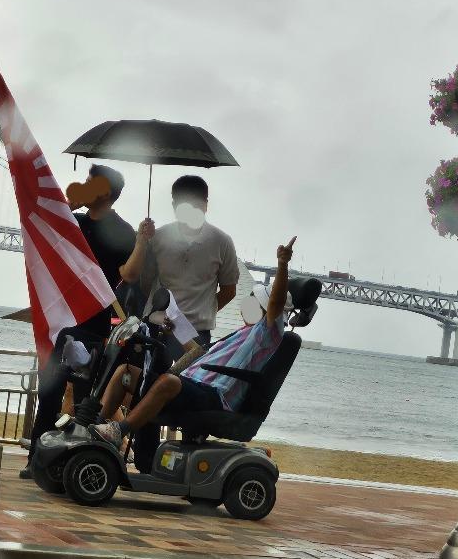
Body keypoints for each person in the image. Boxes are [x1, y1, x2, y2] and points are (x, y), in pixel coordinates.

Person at [91, 236, 296, 450]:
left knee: (169, 381)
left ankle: (118, 431)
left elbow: (276, 303)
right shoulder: (240, 334)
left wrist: (282, 264)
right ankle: (96, 430)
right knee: (125, 373)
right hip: (194, 386)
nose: (248, 302)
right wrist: (175, 331)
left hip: (216, 395)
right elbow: (199, 355)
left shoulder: (265, 334)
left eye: (254, 299)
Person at [20, 164, 140, 479]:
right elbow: (40, 232)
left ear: (104, 191)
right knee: (49, 394)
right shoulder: (74, 222)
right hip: (61, 326)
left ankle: (79, 463)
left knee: (87, 401)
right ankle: (36, 460)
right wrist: (66, 209)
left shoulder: (123, 232)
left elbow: (130, 276)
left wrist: (145, 241)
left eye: (89, 182)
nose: (81, 186)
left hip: (93, 329)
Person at [121, 175, 239, 359]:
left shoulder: (222, 242)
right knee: (145, 382)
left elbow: (229, 290)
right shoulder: (158, 237)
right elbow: (146, 282)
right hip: (156, 326)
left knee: (185, 384)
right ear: (175, 205)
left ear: (206, 205)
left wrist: (202, 311)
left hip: (196, 333)